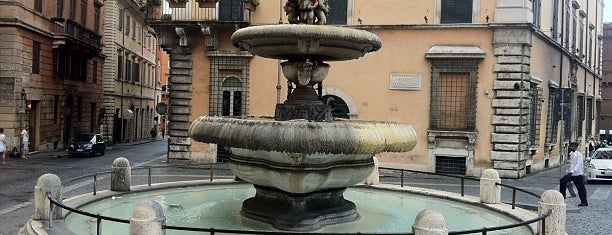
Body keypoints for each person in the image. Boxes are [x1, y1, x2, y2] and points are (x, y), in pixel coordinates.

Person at [559, 142, 588, 206]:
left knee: (581, 188)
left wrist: (573, 171)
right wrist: (569, 170)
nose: (571, 147)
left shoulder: (579, 155)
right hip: (572, 174)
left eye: (573, 146)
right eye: (570, 146)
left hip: (578, 174)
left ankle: (584, 202)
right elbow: (572, 164)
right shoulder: (572, 154)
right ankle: (562, 197)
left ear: (576, 147)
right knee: (562, 181)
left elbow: (578, 164)